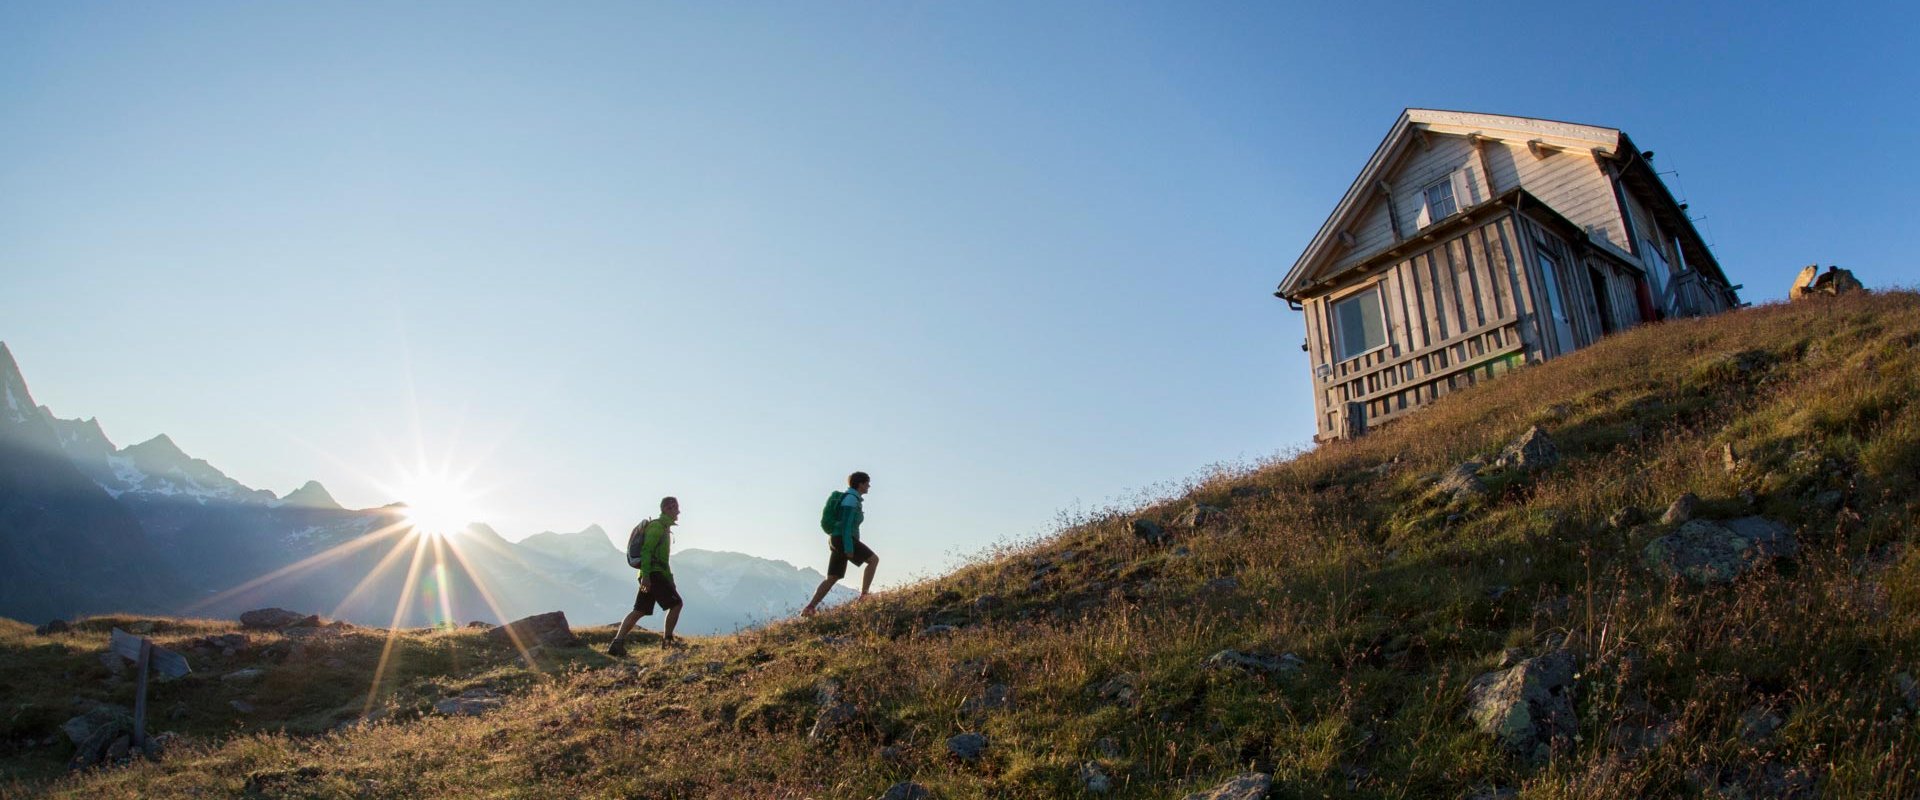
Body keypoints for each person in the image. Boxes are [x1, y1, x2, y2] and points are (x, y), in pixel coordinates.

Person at [609, 496, 684, 655]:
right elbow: (647, 551)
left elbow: (663, 559)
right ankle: (668, 642)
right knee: (676, 604)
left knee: (640, 610)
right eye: (673, 507)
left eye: (676, 507)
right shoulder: (657, 527)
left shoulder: (664, 528)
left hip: (652, 574)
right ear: (665, 509)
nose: (677, 510)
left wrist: (669, 580)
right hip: (653, 574)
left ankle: (617, 643)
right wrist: (647, 577)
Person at [802, 471, 878, 617]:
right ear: (860, 484)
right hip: (844, 539)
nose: (869, 485)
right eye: (867, 482)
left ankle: (810, 608)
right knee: (873, 560)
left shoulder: (849, 497)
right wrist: (849, 547)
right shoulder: (851, 500)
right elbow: (846, 525)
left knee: (833, 577)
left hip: (836, 539)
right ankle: (864, 596)